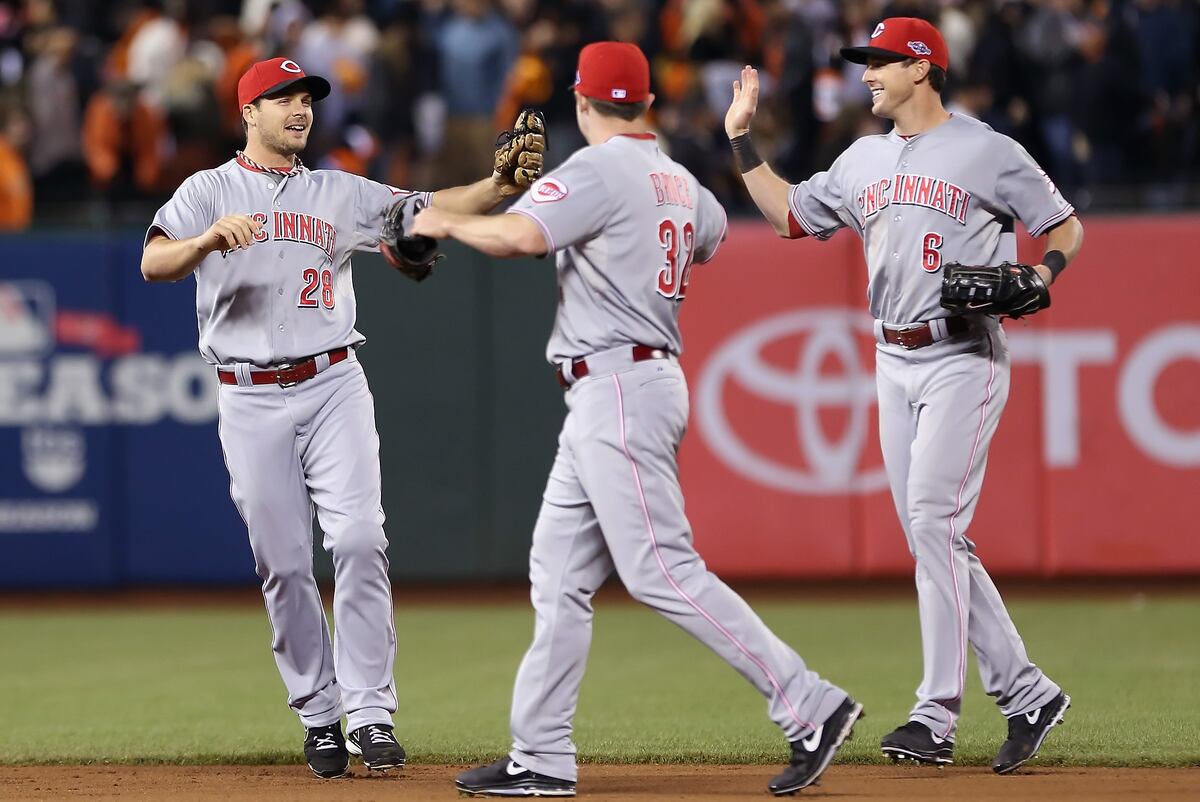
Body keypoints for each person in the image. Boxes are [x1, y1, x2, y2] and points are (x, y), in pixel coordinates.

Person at [411, 41, 861, 799]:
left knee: (662, 569)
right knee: (558, 573)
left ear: (580, 100)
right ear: (647, 103)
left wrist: (443, 221)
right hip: (628, 381)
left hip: (618, 386)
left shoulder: (595, 169)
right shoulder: (680, 179)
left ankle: (809, 703)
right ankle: (541, 755)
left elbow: (520, 236)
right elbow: (710, 235)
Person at [140, 56, 534, 780]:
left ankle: (371, 713)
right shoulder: (208, 190)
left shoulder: (335, 191)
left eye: (306, 98)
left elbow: (425, 210)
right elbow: (154, 263)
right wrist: (202, 242)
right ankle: (319, 716)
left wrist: (497, 187)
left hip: (332, 383)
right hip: (248, 395)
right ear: (249, 113)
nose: (300, 109)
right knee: (285, 565)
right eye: (282, 98)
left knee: (358, 539)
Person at [724, 17, 1083, 775]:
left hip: (963, 355)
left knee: (931, 522)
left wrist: (1041, 271)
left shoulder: (988, 149)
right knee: (933, 536)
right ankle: (1028, 693)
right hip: (891, 358)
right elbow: (788, 215)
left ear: (921, 67)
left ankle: (935, 715)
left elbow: (1065, 227)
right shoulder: (862, 157)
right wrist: (740, 140)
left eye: (880, 62)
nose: (867, 75)